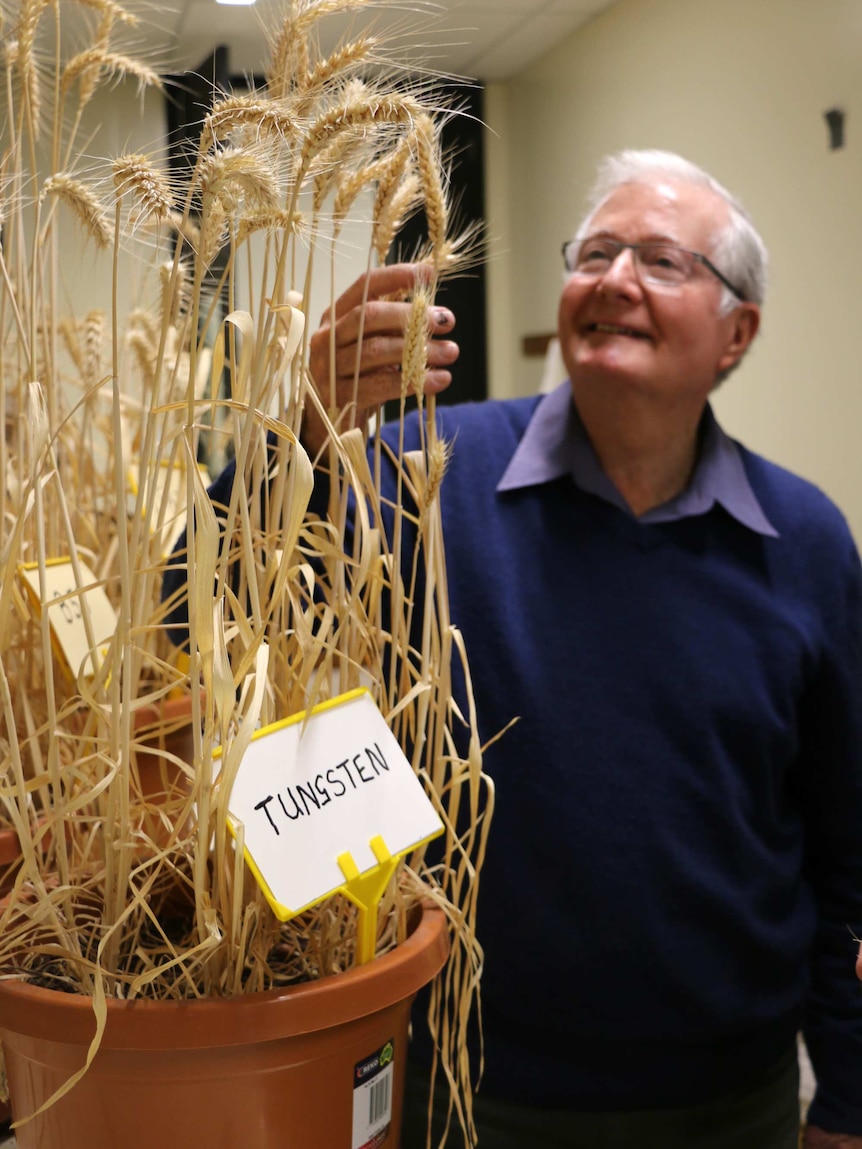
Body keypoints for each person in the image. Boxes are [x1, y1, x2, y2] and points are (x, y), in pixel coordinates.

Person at [167, 150, 862, 1147]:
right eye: (596, 252)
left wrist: (847, 1092)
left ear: (736, 333)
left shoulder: (804, 538)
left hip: (733, 1096)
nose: (613, 278)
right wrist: (297, 432)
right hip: (468, 1081)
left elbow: (844, 843)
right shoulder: (421, 474)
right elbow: (184, 621)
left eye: (662, 261)